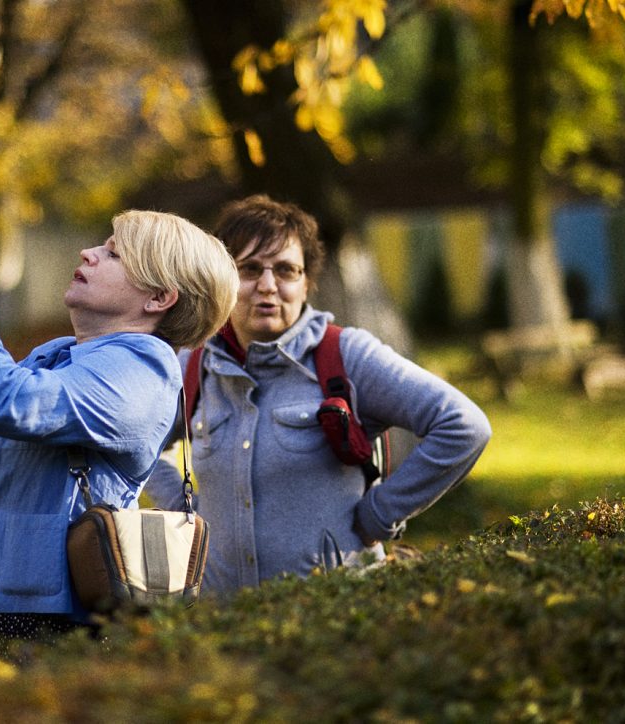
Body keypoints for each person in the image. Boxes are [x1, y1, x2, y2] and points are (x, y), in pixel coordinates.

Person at [0, 199, 238, 656]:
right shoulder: (60, 356)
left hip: (58, 617)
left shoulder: (142, 372)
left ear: (159, 298)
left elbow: (1, 400)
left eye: (114, 254)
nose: (89, 253)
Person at [145, 194, 492, 595]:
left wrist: (380, 515)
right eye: (250, 269)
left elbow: (464, 425)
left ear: (308, 283)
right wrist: (183, 510)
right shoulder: (193, 366)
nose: (268, 286)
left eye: (287, 271)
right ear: (220, 278)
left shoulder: (348, 355)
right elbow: (143, 443)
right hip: (223, 619)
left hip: (335, 616)